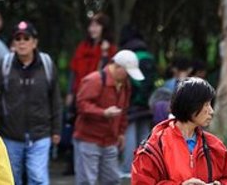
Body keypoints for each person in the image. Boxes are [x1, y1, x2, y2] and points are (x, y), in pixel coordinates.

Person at [0, 20, 62, 185]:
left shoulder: (47, 64)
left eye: (26, 38)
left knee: (38, 178)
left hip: (40, 134)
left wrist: (56, 130)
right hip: (10, 134)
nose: (22, 42)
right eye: (18, 38)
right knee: (10, 178)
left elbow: (55, 99)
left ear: (34, 42)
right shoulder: (5, 65)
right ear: (13, 43)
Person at [131, 77, 227, 185]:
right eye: (206, 105)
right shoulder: (154, 146)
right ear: (191, 105)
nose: (211, 111)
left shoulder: (214, 145)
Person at [73, 49, 143, 185]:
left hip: (110, 140)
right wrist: (103, 112)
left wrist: (121, 133)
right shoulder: (94, 80)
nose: (128, 76)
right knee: (87, 181)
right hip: (89, 139)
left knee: (112, 180)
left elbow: (124, 110)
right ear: (118, 67)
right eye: (127, 72)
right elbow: (81, 105)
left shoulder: (125, 84)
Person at [64, 13, 116, 176]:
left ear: (104, 28)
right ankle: (72, 163)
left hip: (98, 95)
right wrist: (70, 93)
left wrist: (106, 53)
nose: (93, 29)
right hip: (80, 92)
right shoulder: (82, 46)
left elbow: (109, 72)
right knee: (75, 127)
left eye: (97, 25)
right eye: (91, 25)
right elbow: (74, 70)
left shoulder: (110, 48)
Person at [118, 26, 157, 176]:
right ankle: (145, 168)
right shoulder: (148, 56)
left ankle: (127, 168)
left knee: (129, 133)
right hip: (146, 102)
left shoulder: (129, 56)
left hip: (132, 102)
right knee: (144, 135)